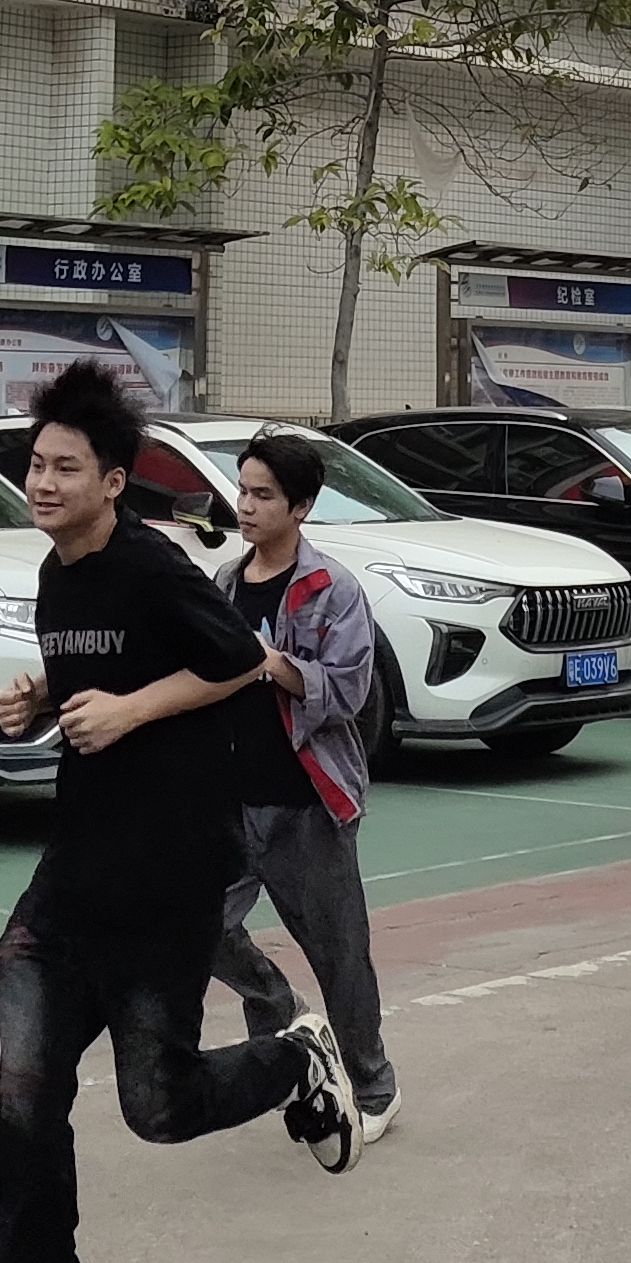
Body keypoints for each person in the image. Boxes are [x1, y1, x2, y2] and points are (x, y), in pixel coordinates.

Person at [0, 365, 350, 1263]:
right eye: (35, 464)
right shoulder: (58, 570)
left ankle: (294, 1059)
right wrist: (39, 692)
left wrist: (132, 713)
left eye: (63, 468)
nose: (41, 482)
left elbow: (237, 656)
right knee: (22, 1095)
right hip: (72, 867)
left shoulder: (153, 565)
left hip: (172, 867)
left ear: (111, 478)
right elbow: (101, 662)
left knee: (159, 1106)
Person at [205, 435, 394, 1148]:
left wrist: (271, 663)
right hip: (231, 797)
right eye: (243, 491)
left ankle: (374, 1085)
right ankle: (279, 1010)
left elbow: (346, 690)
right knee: (199, 926)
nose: (246, 506)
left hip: (307, 802)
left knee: (339, 952)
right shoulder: (225, 581)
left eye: (262, 496)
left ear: (301, 506)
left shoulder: (331, 590)